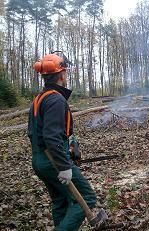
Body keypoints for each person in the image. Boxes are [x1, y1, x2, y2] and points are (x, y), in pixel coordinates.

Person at [28, 51, 97, 230]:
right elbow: (51, 136)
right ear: (61, 74)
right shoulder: (56, 100)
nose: (66, 74)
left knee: (61, 200)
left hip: (40, 160)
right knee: (88, 197)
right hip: (53, 161)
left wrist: (69, 148)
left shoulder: (39, 99)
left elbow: (34, 134)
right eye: (65, 71)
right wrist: (64, 166)